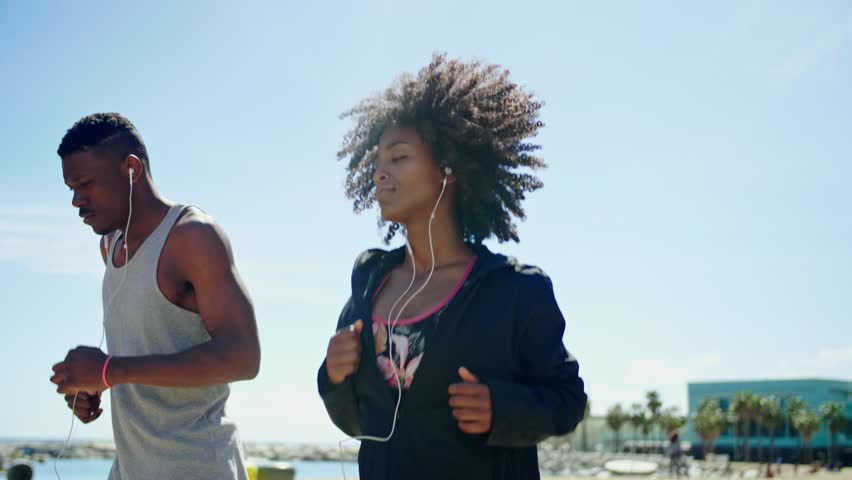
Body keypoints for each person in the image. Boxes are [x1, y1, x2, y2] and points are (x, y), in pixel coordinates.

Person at [318, 54, 587, 480]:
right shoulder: (369, 284)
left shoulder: (516, 290)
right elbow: (357, 422)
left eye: (399, 157)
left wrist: (503, 407)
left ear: (449, 167)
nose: (379, 174)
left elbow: (569, 399)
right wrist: (332, 376)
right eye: (377, 163)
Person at [49, 113, 260, 479]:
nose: (76, 201)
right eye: (71, 187)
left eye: (85, 183)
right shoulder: (110, 245)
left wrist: (109, 370)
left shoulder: (192, 237)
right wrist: (93, 386)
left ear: (131, 168)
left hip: (199, 468)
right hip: (130, 469)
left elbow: (243, 357)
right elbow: (137, 355)